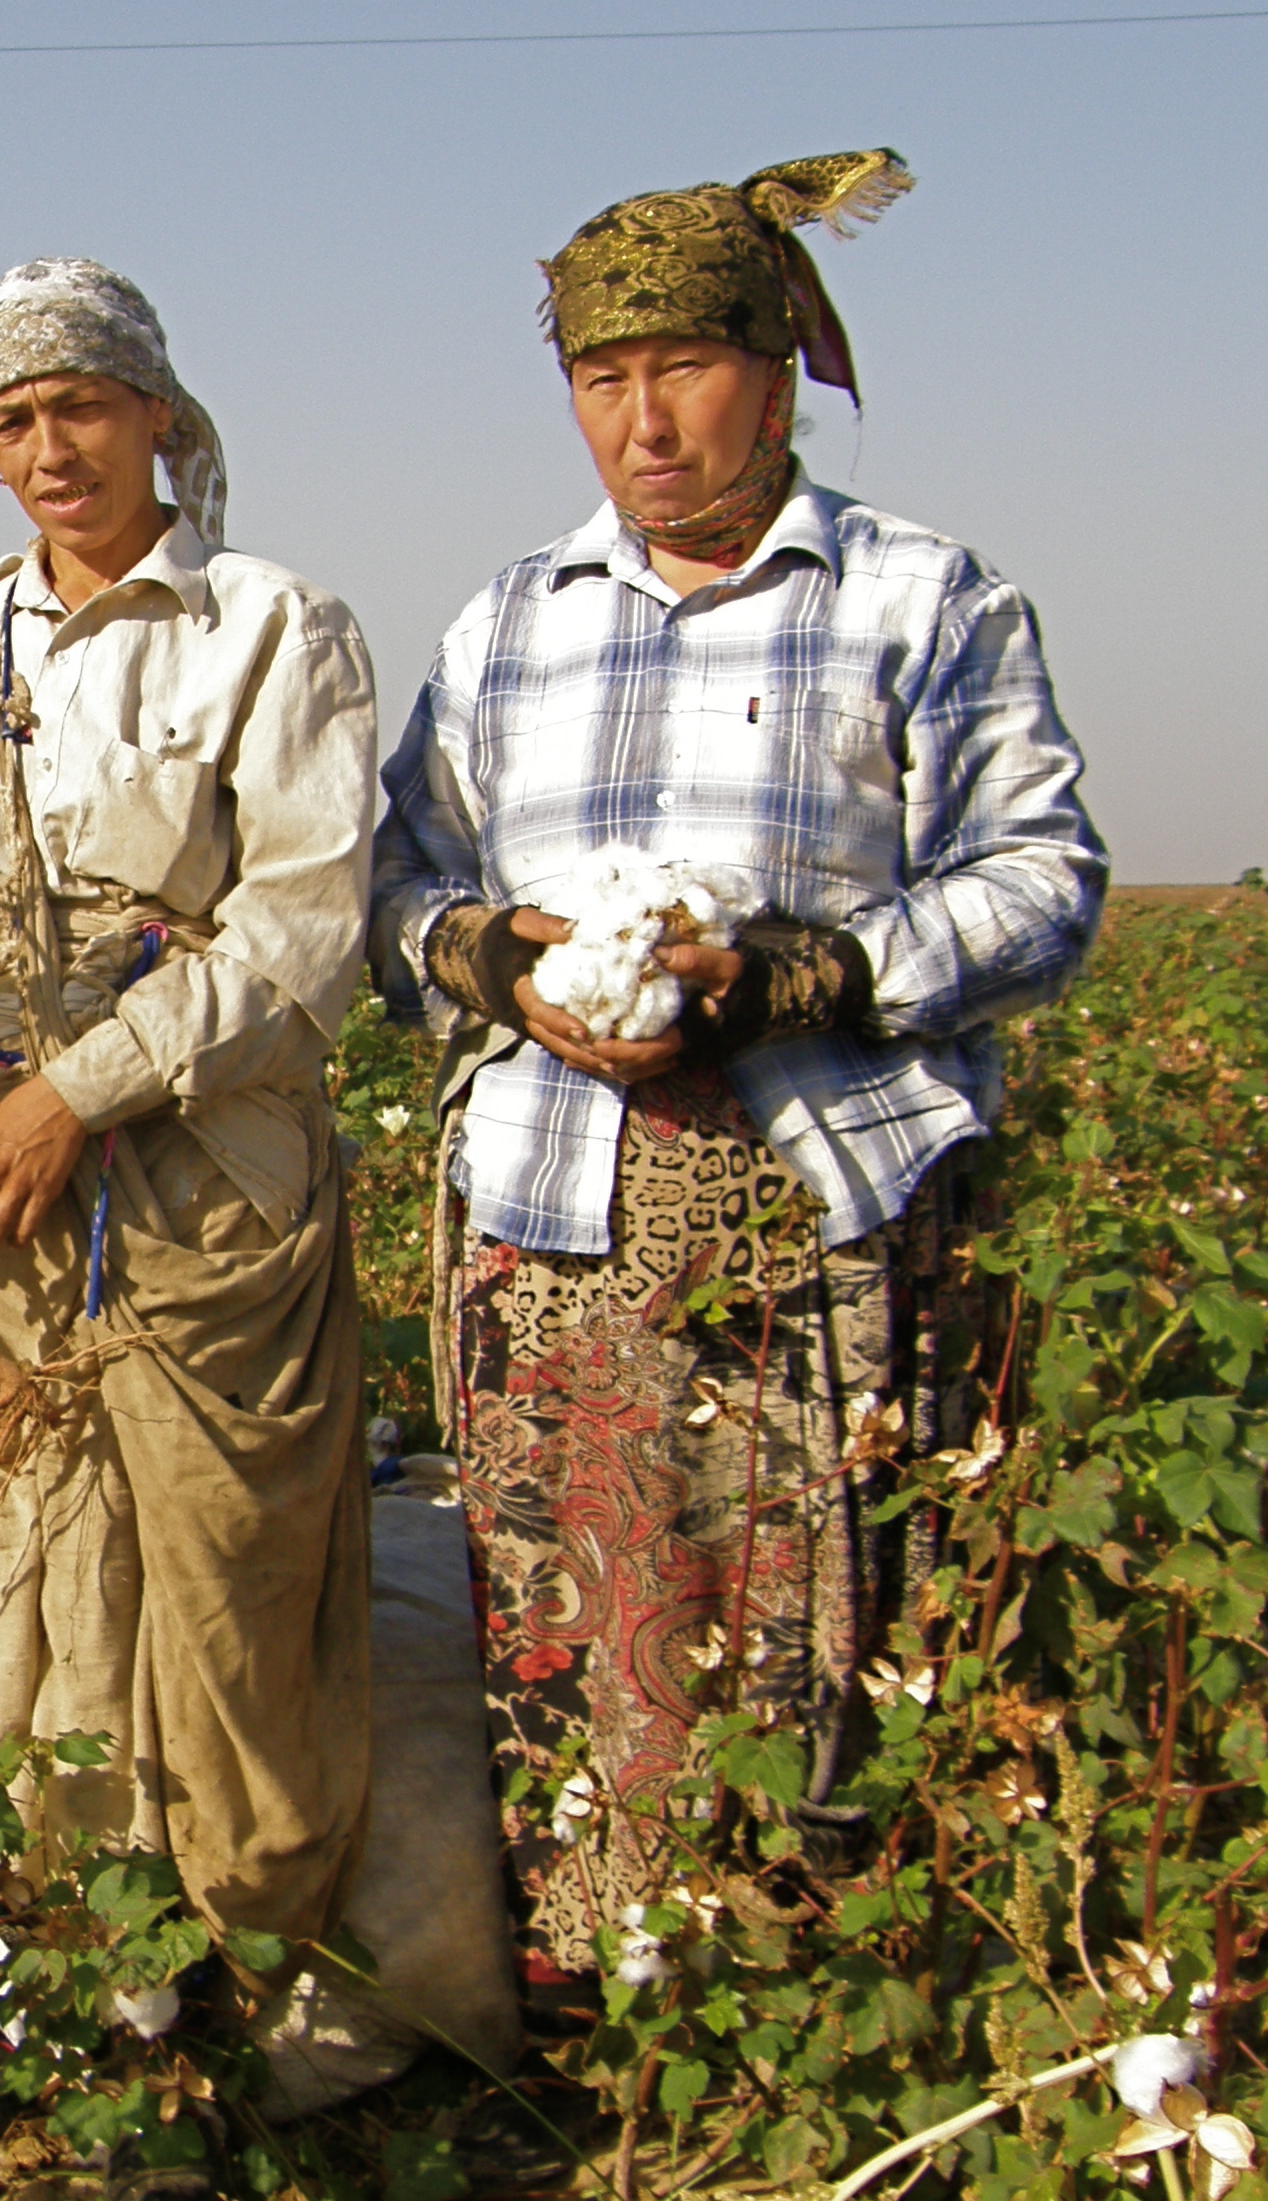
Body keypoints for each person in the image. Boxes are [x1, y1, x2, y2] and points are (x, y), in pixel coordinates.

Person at [367, 151, 1106, 2006]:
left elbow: (1045, 877)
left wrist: (809, 972)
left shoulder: (922, 599)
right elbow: (396, 887)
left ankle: (823, 2008)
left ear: (775, 374)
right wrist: (493, 965)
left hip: (822, 1213)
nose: (647, 421)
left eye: (685, 369)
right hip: (548, 1213)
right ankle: (616, 2007)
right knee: (575, 1610)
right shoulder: (505, 625)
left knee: (825, 1616)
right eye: (603, 381)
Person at [0, 260, 380, 1964]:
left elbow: (300, 931)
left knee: (203, 1586)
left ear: (157, 416)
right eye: (12, 421)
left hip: (186, 1180)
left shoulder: (270, 626)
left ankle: (217, 1963)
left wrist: (73, 1092)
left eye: (82, 408)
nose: (51, 449)